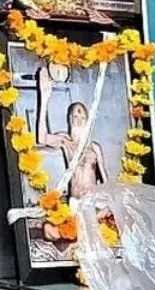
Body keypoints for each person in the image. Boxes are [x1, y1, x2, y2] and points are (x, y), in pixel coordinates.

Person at [36, 65, 107, 242]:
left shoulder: (94, 147)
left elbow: (105, 180)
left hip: (93, 202)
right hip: (75, 202)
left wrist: (109, 204)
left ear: (87, 120)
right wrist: (44, 98)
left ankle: (90, 225)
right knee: (50, 231)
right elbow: (41, 138)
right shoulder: (65, 141)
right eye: (75, 115)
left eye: (82, 116)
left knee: (104, 221)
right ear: (69, 119)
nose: (79, 118)